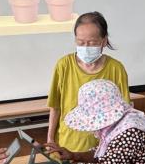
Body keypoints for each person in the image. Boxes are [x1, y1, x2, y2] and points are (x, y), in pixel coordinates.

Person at [47, 11, 130, 152]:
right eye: (80, 42)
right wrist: (50, 138)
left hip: (104, 146)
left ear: (104, 41)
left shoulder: (116, 68)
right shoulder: (64, 65)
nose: (85, 47)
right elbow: (55, 106)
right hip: (69, 143)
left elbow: (124, 110)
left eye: (92, 43)